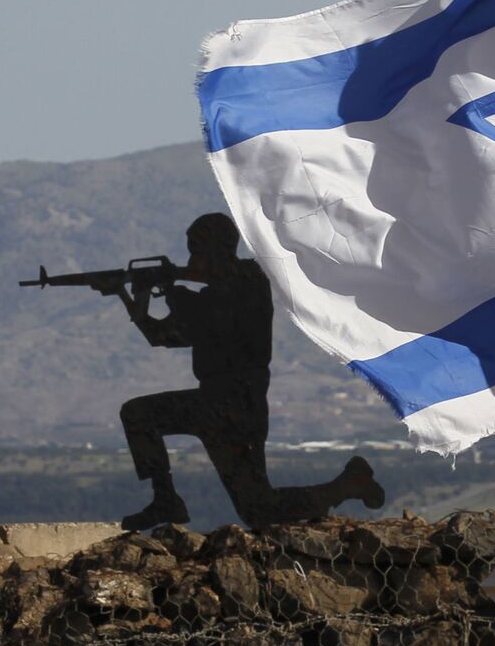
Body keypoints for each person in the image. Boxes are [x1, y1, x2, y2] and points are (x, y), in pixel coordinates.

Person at [116, 213, 383, 531]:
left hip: (237, 404)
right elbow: (164, 336)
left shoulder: (249, 280)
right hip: (215, 404)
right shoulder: (214, 293)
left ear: (215, 249)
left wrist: (171, 286)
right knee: (257, 508)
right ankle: (348, 484)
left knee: (140, 414)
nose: (192, 261)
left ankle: (165, 499)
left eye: (196, 252)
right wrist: (133, 301)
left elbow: (211, 312)